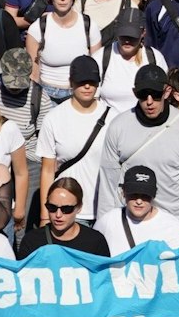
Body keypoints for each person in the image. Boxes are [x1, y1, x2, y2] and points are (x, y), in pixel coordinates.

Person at [97, 64, 179, 238]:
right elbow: (108, 186)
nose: (150, 101)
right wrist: (105, 234)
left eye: (156, 94)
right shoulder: (118, 126)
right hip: (129, 228)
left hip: (172, 228)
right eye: (143, 95)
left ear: (167, 92)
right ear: (134, 93)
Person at [35, 55, 120, 225]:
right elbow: (47, 171)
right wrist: (45, 215)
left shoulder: (114, 118)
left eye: (93, 81)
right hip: (68, 212)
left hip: (106, 209)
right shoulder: (54, 118)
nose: (87, 86)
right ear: (71, 82)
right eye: (81, 81)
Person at [97, 164, 179, 253]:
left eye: (145, 195)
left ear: (154, 195)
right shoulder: (108, 221)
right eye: (134, 194)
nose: (139, 201)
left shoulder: (171, 226)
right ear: (124, 192)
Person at [16, 176, 113, 257]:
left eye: (66, 209)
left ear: (79, 207)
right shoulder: (32, 241)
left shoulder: (95, 241)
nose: (58, 215)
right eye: (52, 207)